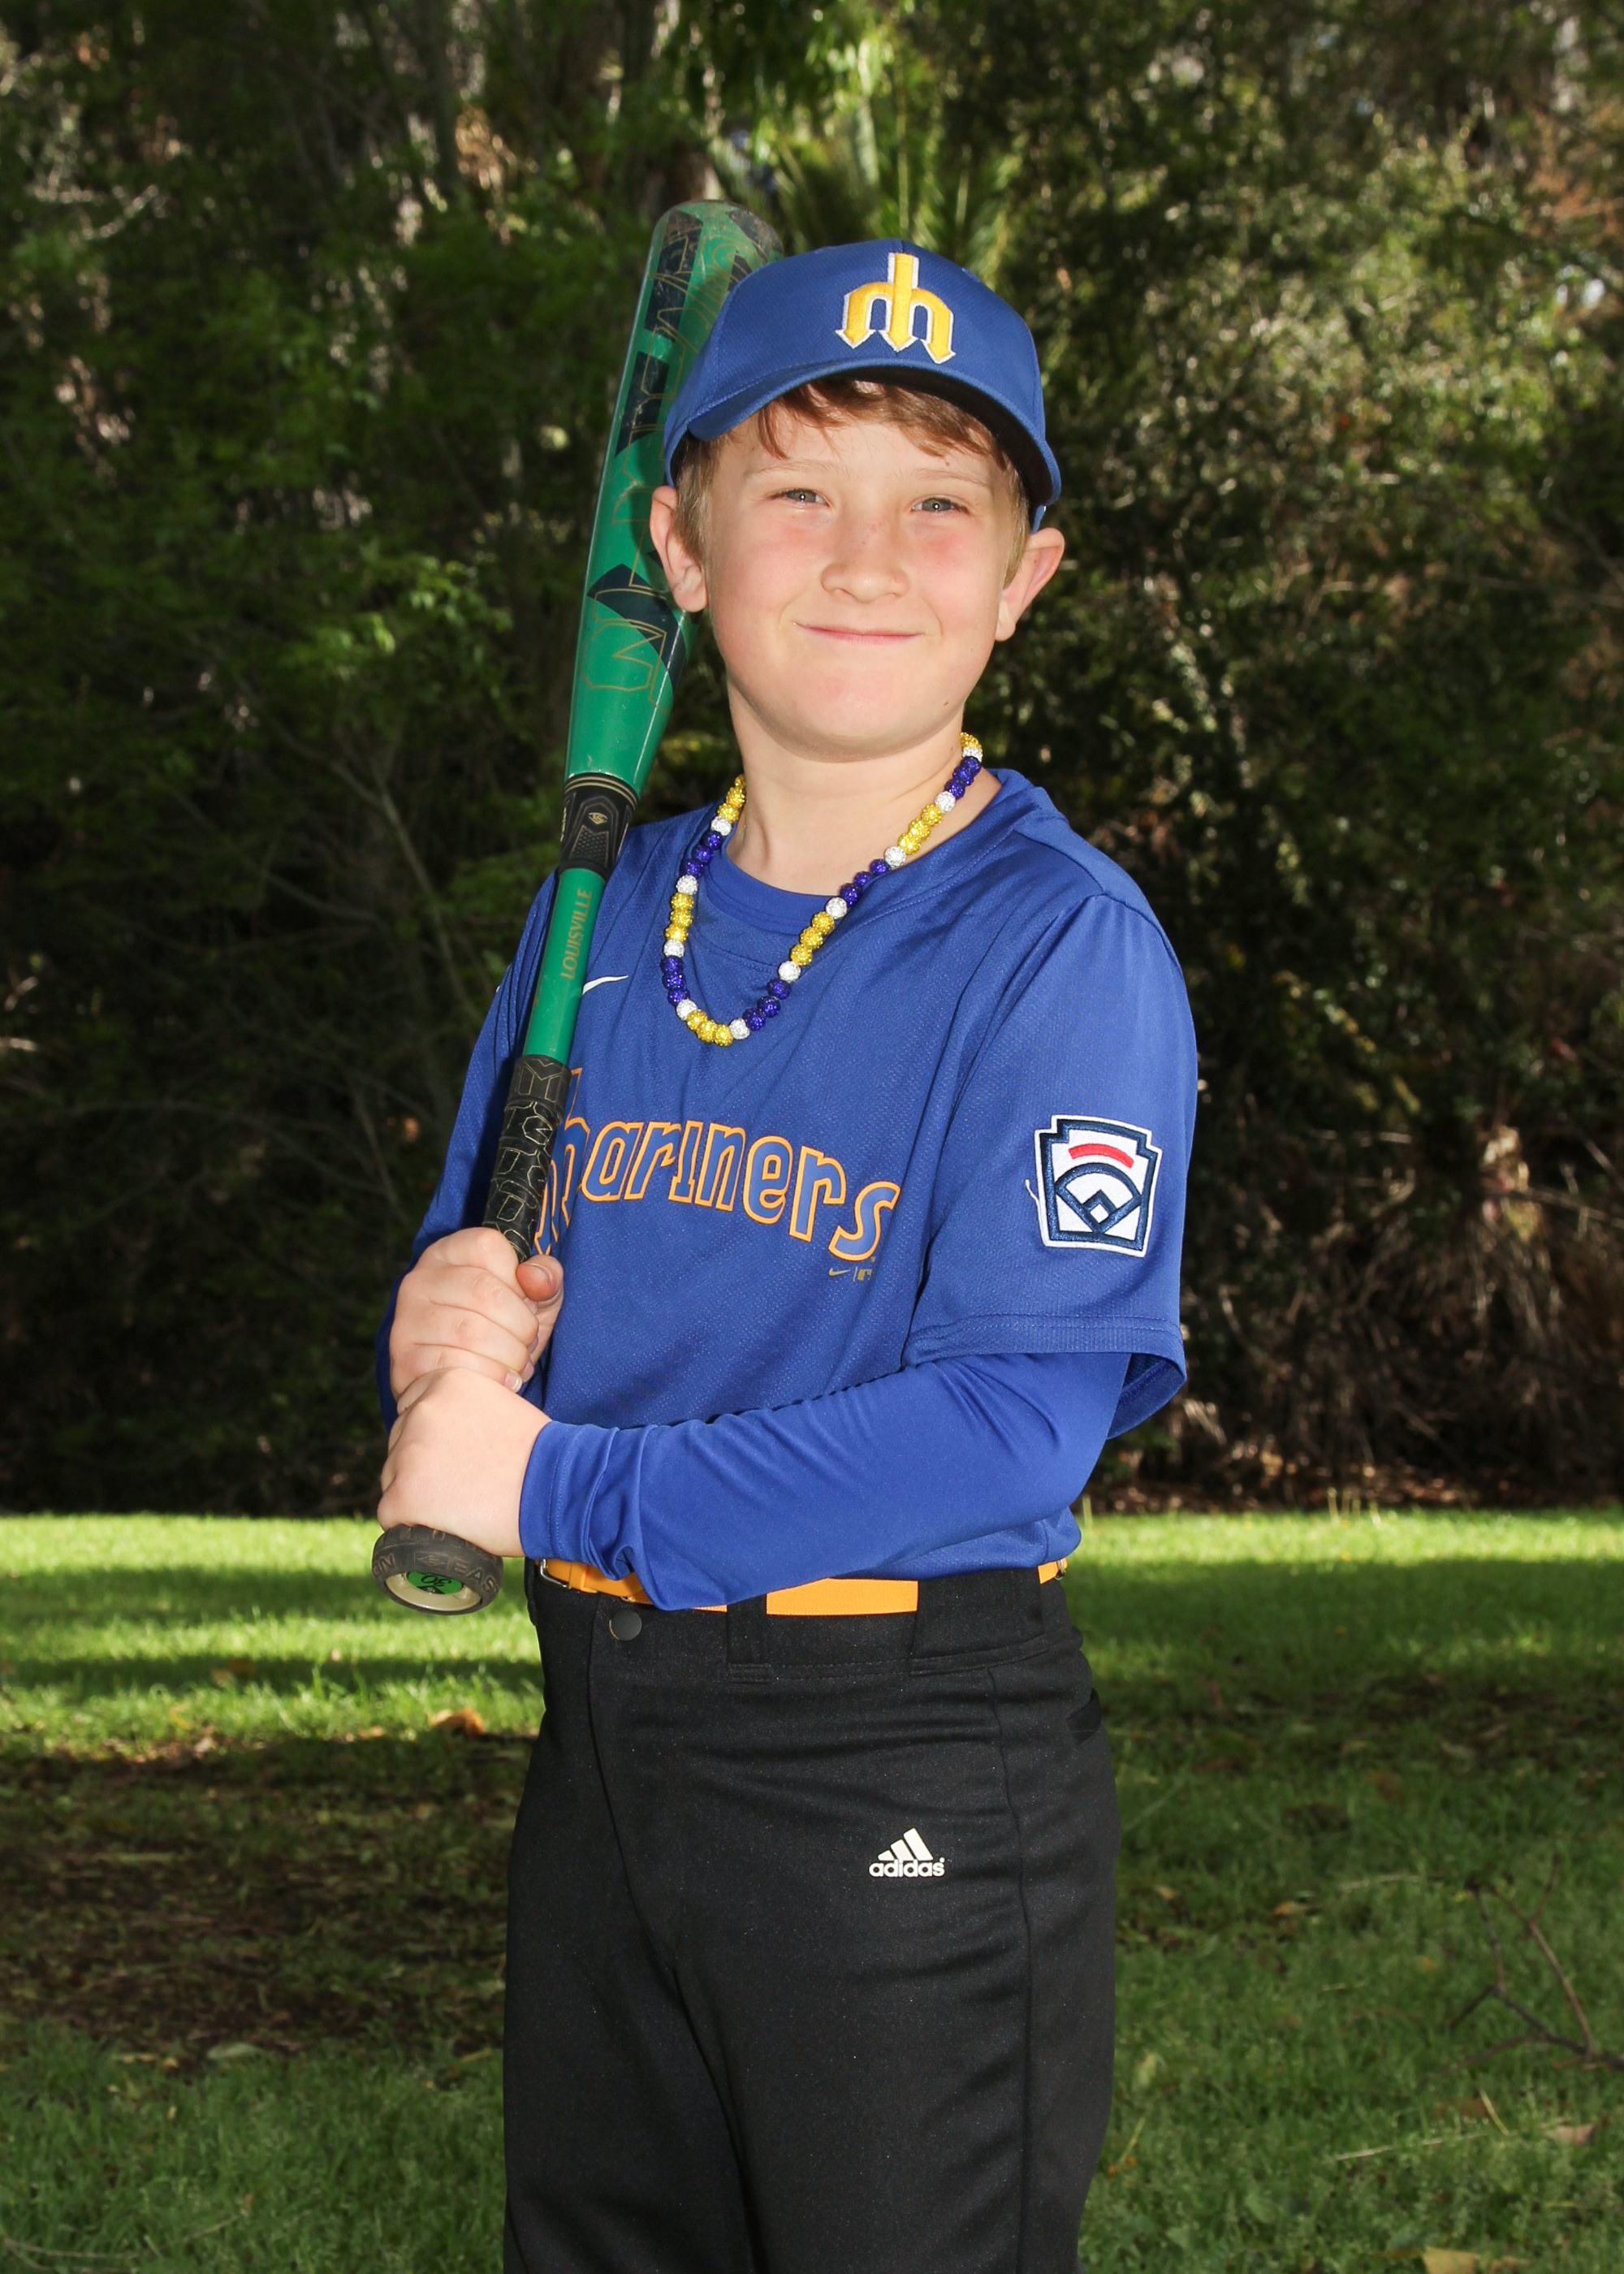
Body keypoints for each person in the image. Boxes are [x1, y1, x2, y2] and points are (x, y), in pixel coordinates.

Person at [375, 239, 1197, 2274]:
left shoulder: (1057, 944)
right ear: (676, 543)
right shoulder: (599, 915)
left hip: (895, 1749)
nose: (865, 558)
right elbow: (492, 1278)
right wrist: (441, 1324)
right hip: (604, 1741)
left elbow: (1011, 1425)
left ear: (1024, 577)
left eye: (941, 504)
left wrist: (556, 1482)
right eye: (798, 487)